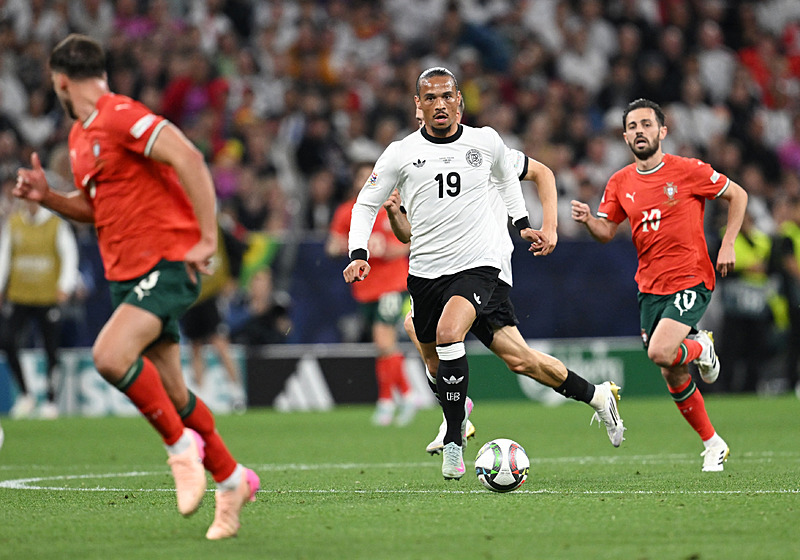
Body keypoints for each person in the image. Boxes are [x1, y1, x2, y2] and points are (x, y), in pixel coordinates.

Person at [14, 34, 258, 538]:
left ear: (61, 82)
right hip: (125, 275)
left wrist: (206, 237)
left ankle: (180, 449)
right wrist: (49, 197)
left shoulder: (120, 114)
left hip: (166, 263)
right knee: (175, 392)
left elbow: (189, 158)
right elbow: (95, 208)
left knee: (109, 355)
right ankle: (232, 479)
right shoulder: (79, 137)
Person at [384, 111, 625, 456]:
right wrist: (395, 215)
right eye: (421, 114)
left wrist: (550, 227)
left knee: (423, 327)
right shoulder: (416, 164)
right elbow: (409, 235)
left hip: (484, 268)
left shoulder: (480, 149)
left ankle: (455, 416)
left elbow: (542, 172)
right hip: (444, 271)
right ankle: (597, 396)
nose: (428, 120)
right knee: (521, 361)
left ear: (455, 111)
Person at [346, 67, 545, 480]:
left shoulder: (485, 141)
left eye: (446, 96)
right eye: (430, 98)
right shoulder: (401, 152)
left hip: (477, 264)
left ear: (459, 101)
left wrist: (523, 222)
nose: (440, 104)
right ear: (418, 105)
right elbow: (365, 203)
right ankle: (457, 416)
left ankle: (454, 440)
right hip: (425, 271)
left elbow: (508, 180)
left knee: (450, 332)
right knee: (430, 350)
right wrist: (358, 252)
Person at [571, 98, 749, 472]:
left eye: (646, 124)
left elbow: (738, 194)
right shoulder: (619, 182)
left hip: (690, 278)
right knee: (671, 369)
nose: (640, 131)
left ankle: (701, 346)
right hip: (650, 287)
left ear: (662, 131)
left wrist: (729, 242)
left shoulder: (687, 170)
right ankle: (713, 443)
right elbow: (606, 231)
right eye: (632, 127)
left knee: (660, 351)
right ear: (624, 137)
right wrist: (588, 220)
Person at [328, 160, 417, 427]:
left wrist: (388, 249)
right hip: (365, 289)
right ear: (356, 182)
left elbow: (411, 240)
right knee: (383, 347)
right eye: (362, 177)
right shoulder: (348, 212)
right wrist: (351, 247)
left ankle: (388, 401)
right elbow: (332, 246)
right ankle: (405, 395)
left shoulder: (392, 207)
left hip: (393, 284)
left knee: (383, 340)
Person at [0, 199, 78, 419]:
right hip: (19, 295)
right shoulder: (14, 223)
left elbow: (69, 255)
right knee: (7, 341)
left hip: (47, 296)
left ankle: (51, 400)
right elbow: (4, 256)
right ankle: (25, 395)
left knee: (51, 348)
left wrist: (65, 286)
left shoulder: (56, 224)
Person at [180, 225, 246, 412]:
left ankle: (236, 392)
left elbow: (238, 249)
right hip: (191, 295)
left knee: (219, 342)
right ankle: (202, 396)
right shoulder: (185, 227)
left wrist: (233, 278)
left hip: (210, 294)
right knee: (195, 346)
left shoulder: (214, 227)